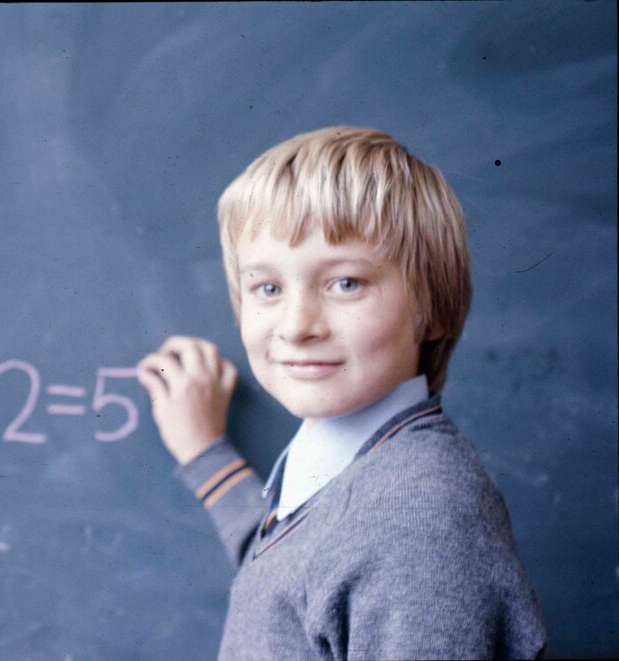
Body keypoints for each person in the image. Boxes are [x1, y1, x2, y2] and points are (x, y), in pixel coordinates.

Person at [136, 127, 547, 660]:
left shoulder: (414, 517)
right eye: (268, 288)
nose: (296, 325)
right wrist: (206, 458)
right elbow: (295, 583)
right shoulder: (365, 477)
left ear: (434, 311)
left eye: (346, 283)